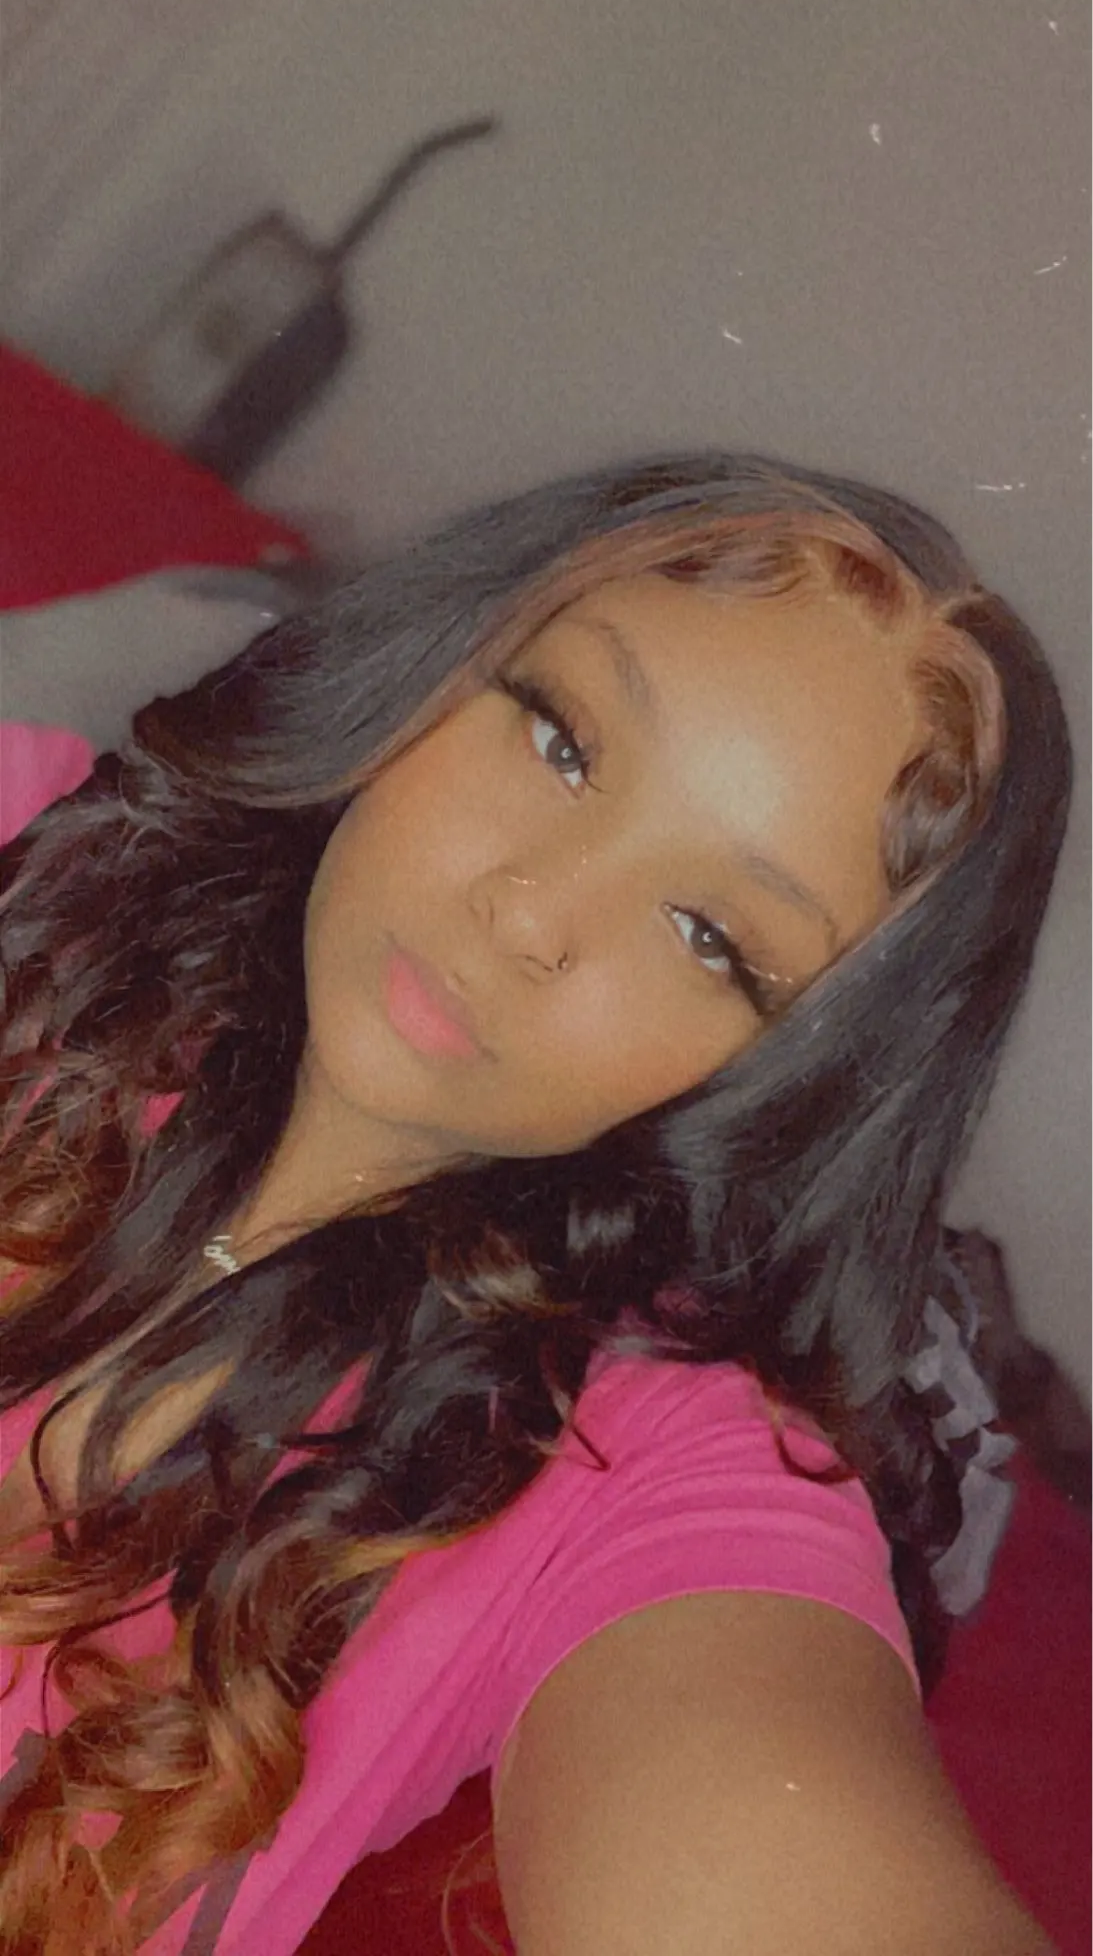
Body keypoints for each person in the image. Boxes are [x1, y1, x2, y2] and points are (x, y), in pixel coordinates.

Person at [0, 452, 1070, 1954]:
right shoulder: (34, 875)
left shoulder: (631, 1462)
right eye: (563, 740)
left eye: (709, 934)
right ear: (444, 658)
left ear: (785, 1079)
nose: (530, 914)